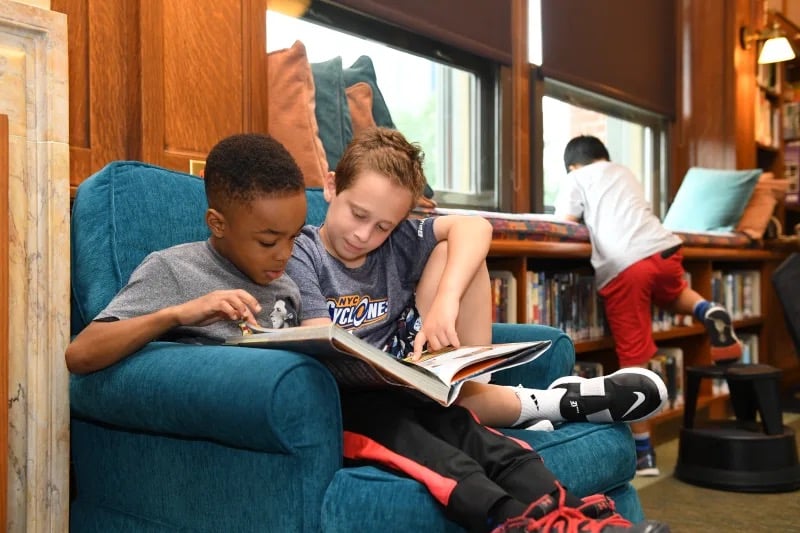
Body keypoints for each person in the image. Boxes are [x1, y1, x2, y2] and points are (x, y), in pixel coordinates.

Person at [285, 128, 671, 531]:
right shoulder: (303, 252)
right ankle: (529, 516)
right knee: (440, 455)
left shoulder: (395, 242)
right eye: (358, 214)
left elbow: (475, 228)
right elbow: (323, 340)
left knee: (488, 443)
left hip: (415, 387)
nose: (365, 235)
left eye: (383, 225)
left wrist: (444, 305)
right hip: (356, 406)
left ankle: (589, 519)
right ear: (331, 186)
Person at [553, 135, 743, 477]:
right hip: (665, 249)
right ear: (604, 156)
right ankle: (706, 310)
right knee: (672, 295)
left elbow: (564, 222)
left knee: (633, 356)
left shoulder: (576, 177)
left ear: (573, 165)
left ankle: (644, 453)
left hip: (627, 264)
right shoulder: (623, 171)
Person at [64, 133, 307, 374]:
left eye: (294, 237)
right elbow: (80, 355)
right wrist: (176, 315)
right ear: (217, 224)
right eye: (267, 242)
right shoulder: (173, 270)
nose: (285, 254)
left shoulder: (286, 286)